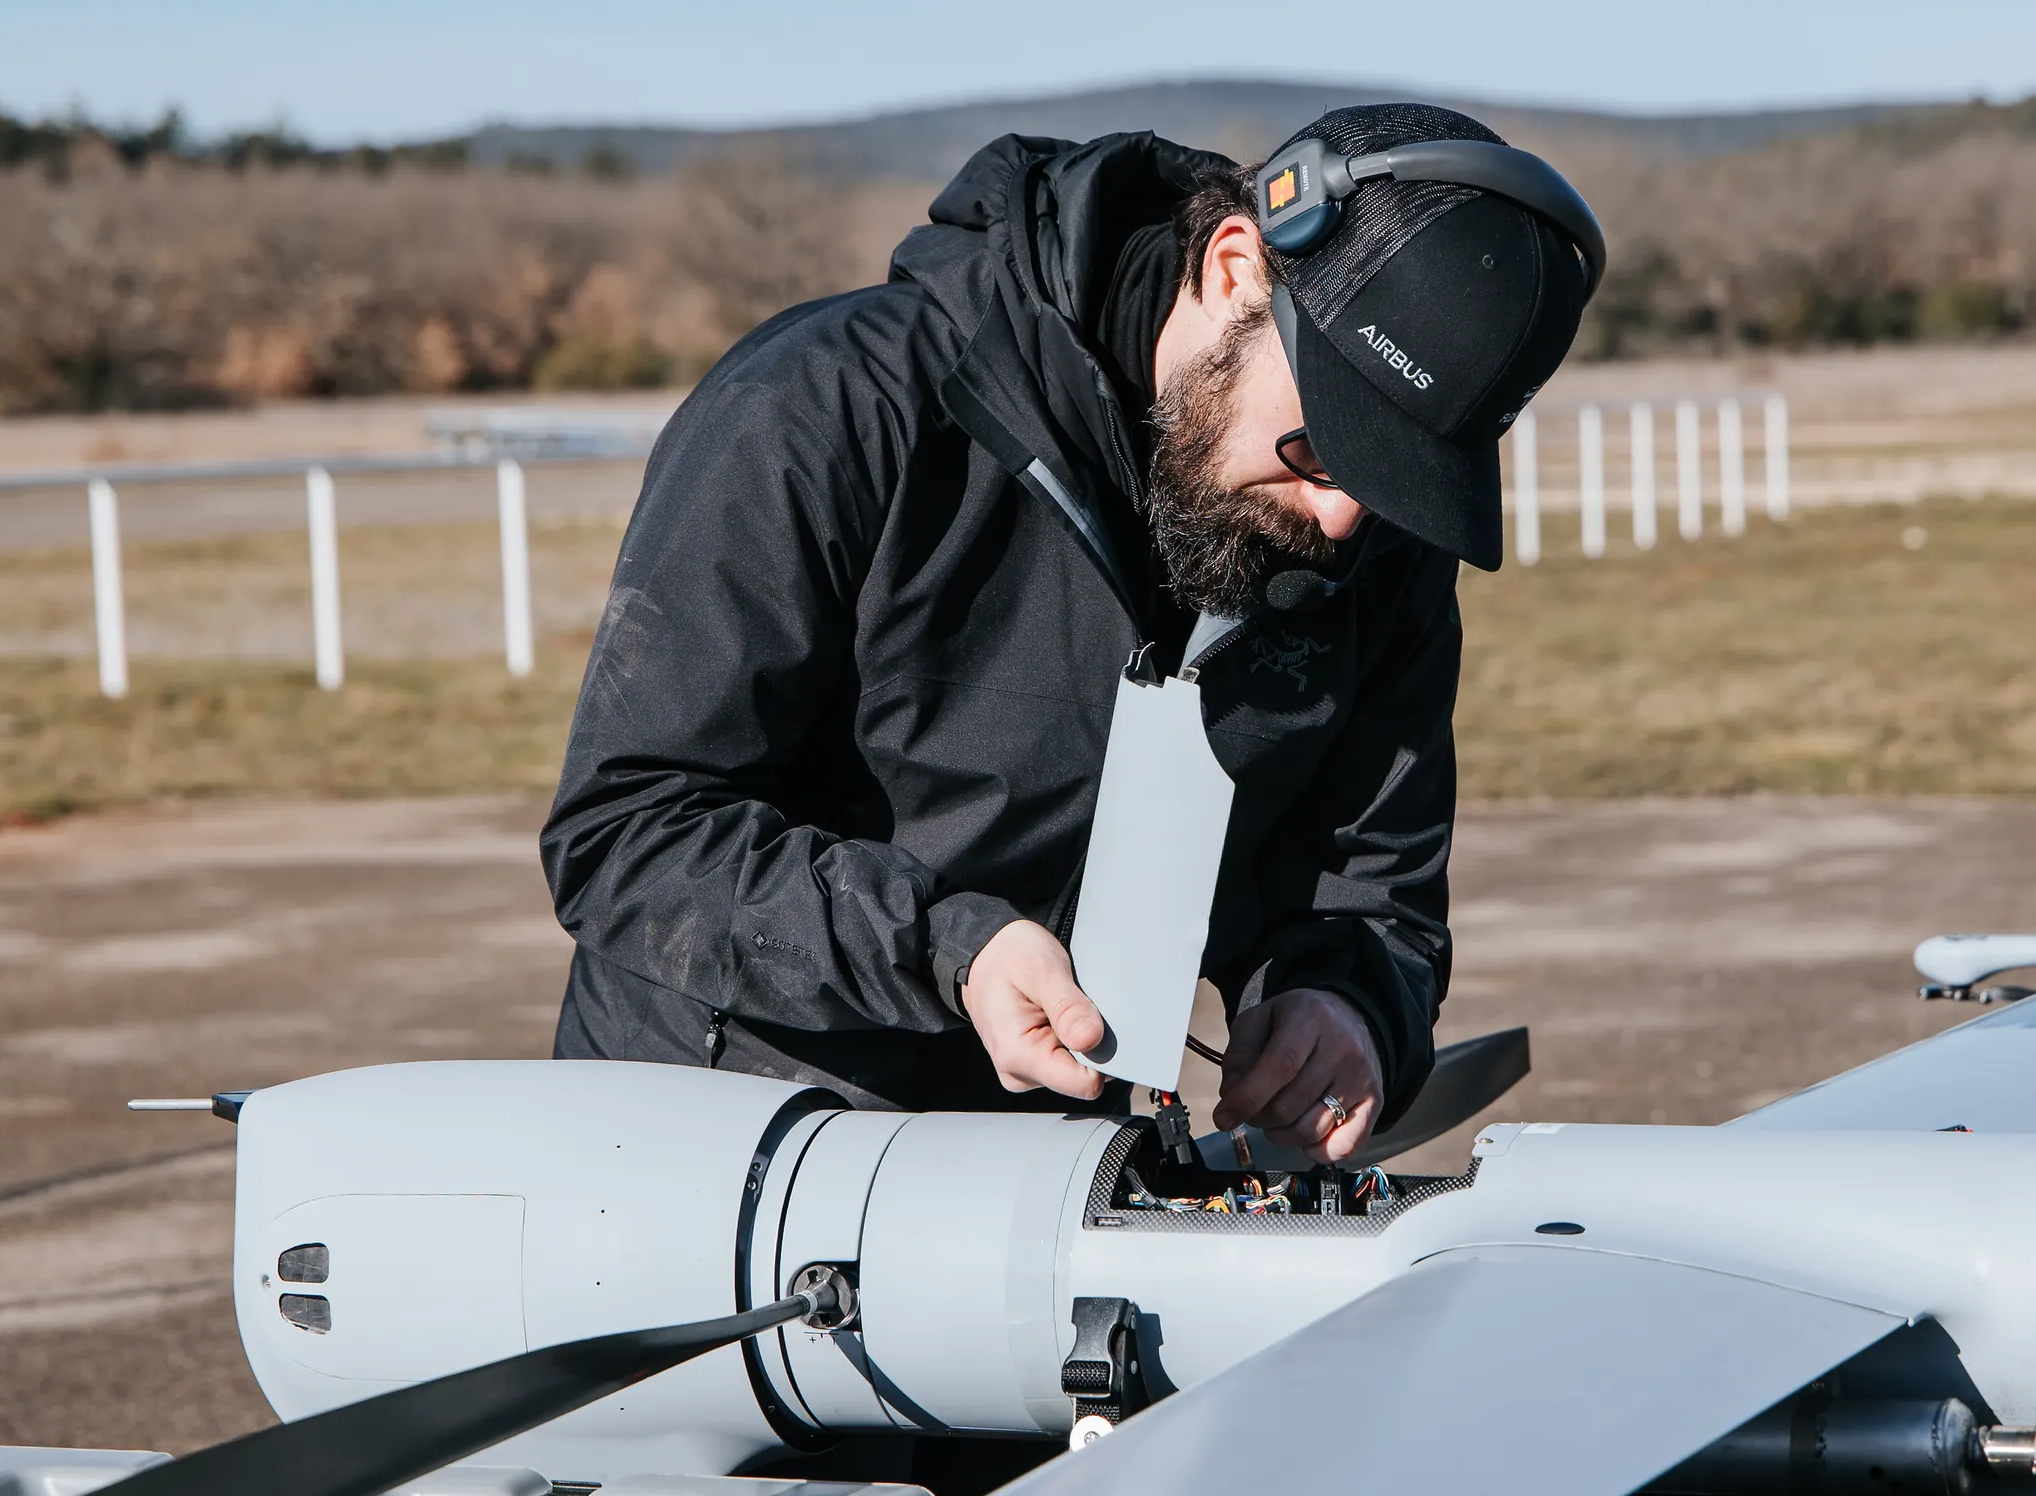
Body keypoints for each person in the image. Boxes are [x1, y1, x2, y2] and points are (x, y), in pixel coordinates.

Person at [539, 102, 1594, 1163]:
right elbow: (628, 833)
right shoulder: (828, 408)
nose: (1341, 518)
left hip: (1047, 1193)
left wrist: (1349, 1005)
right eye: (1327, 445)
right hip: (717, 1171)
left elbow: (1376, 880)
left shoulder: (1364, 525)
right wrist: (948, 951)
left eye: (1395, 474)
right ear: (1236, 267)